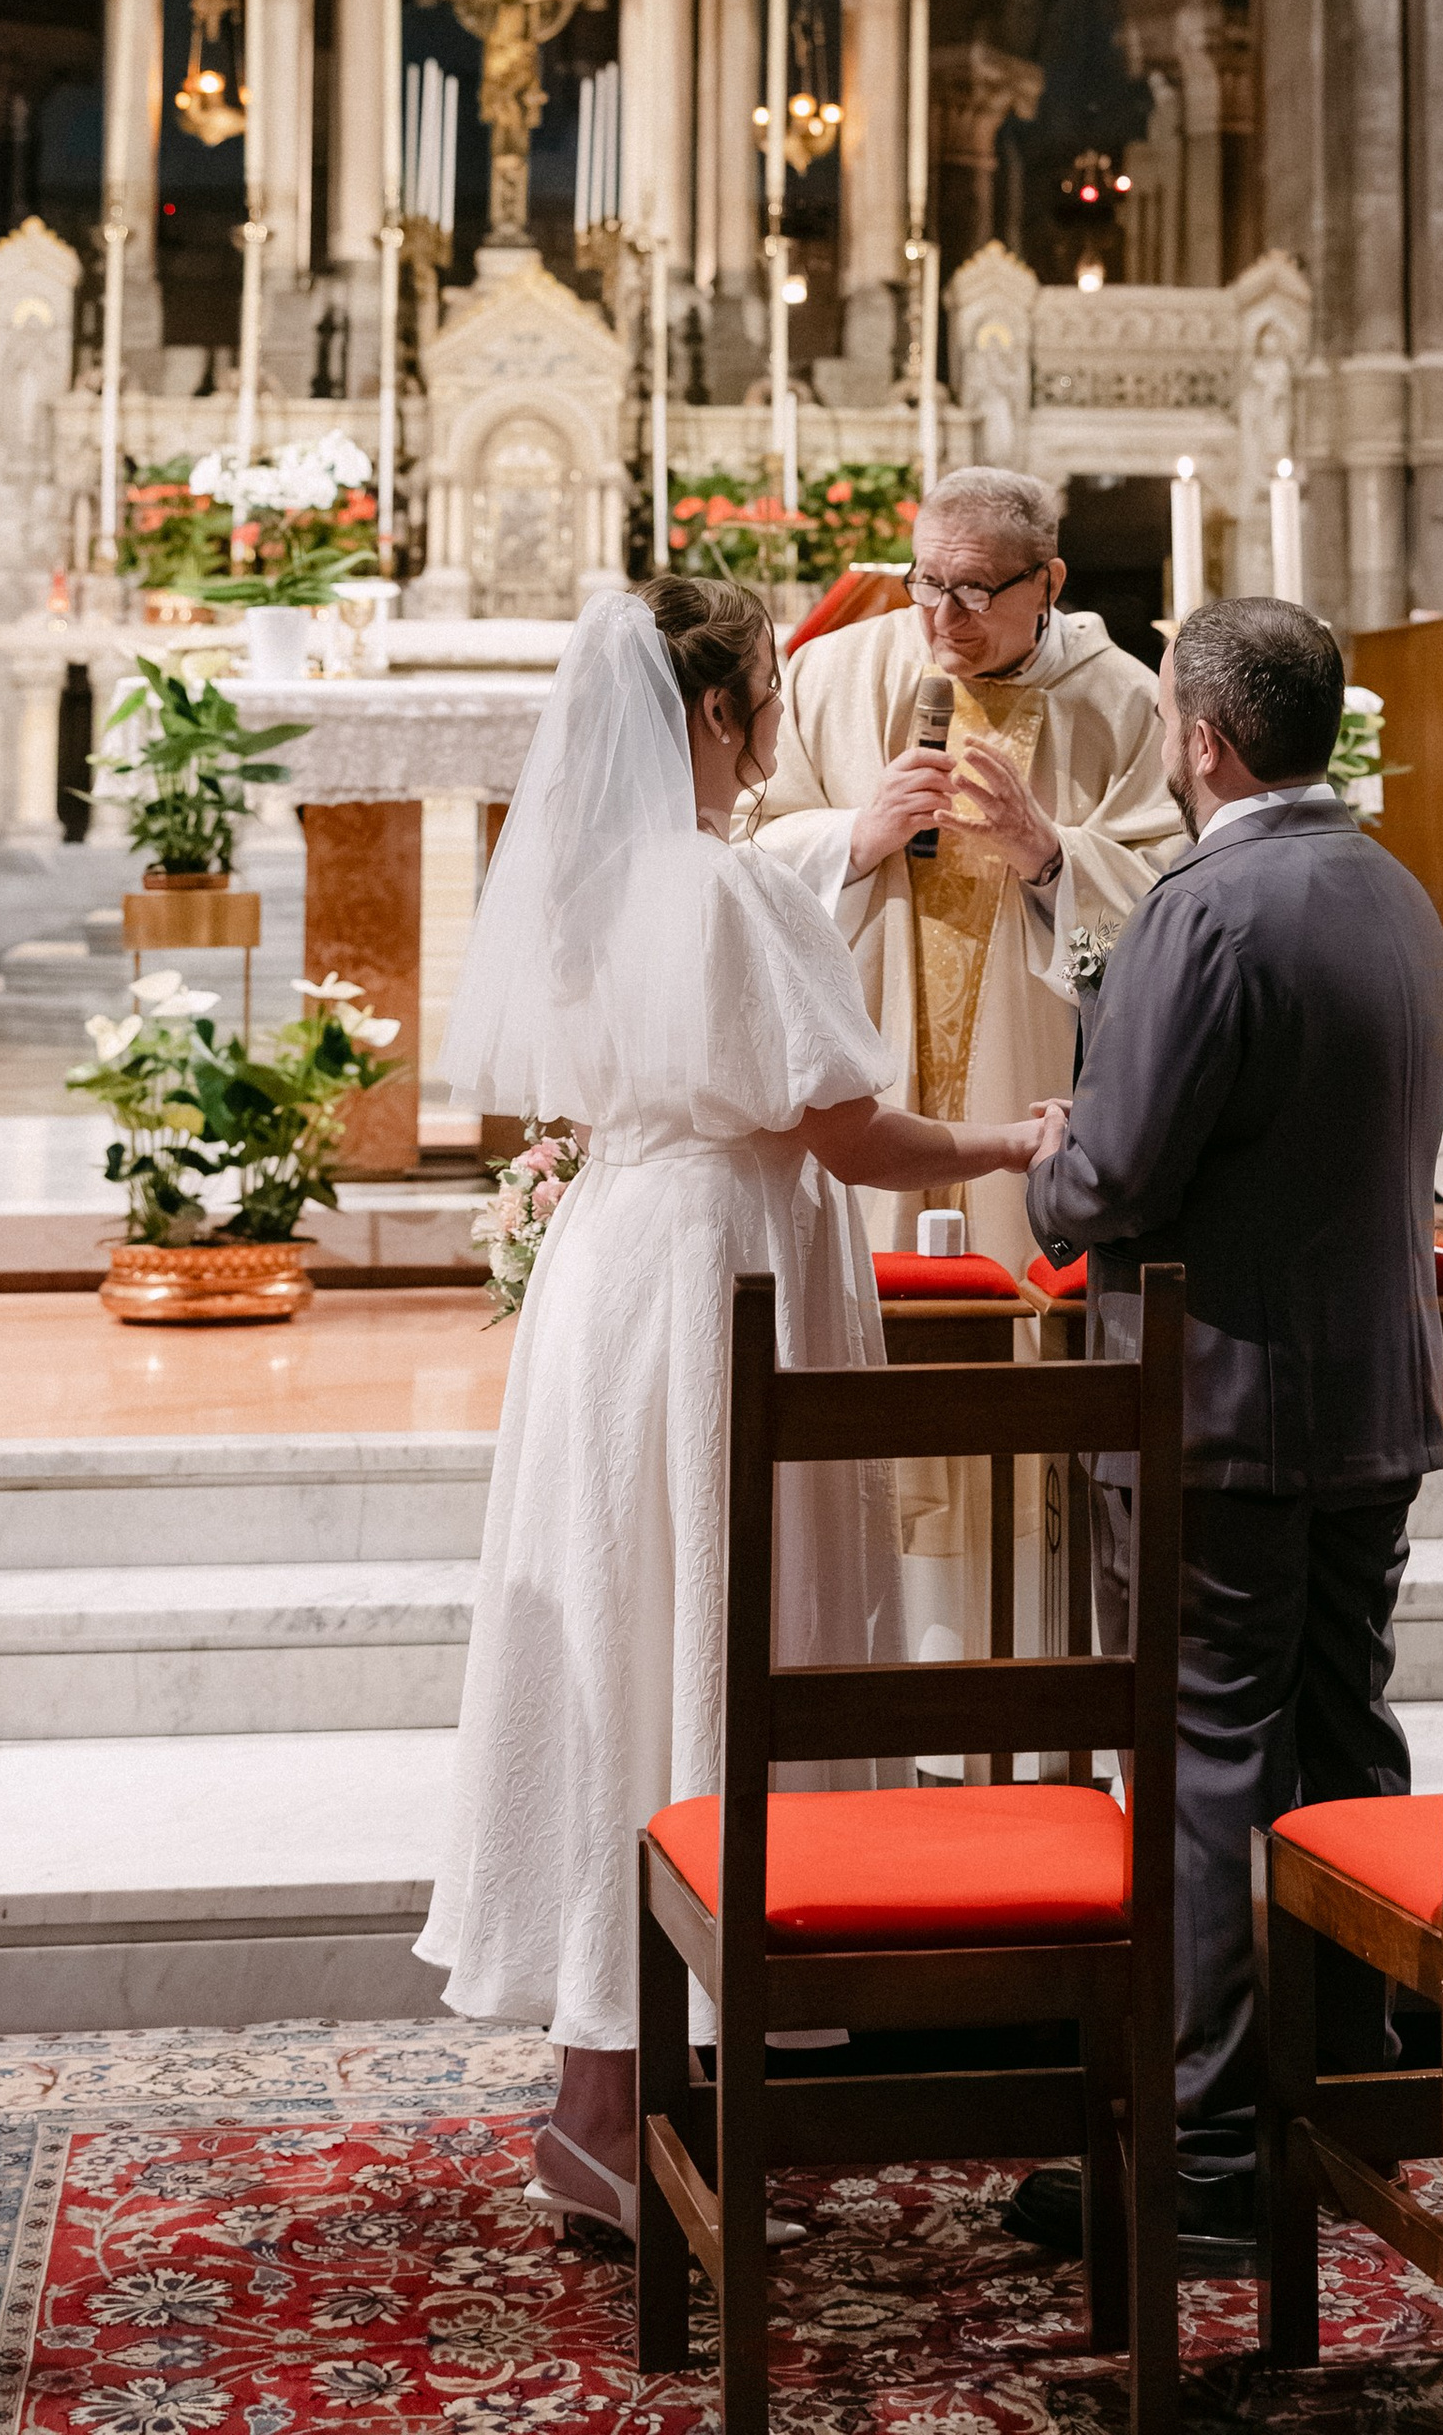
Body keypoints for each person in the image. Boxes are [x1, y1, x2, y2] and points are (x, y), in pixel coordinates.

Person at [416, 579, 1051, 2238]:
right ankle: (635, 2098)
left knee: (628, 1638)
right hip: (725, 1276)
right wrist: (1004, 1149)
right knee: (707, 1624)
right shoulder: (717, 889)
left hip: (613, 1268)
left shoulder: (582, 884)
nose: (779, 725)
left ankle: (608, 2098)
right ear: (716, 719)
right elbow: (847, 1133)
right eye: (768, 697)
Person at [1007, 594, 1443, 2265]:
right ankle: (1356, 2086)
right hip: (1378, 1395)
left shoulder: (1209, 907)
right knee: (1346, 1739)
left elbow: (1118, 1176)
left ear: (1201, 738)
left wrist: (1057, 1155)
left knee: (1206, 1768)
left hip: (1225, 1406)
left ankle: (1201, 2166)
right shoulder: (1394, 891)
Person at [754, 465, 1177, 1648]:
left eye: (975, 591)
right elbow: (739, 850)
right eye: (924, 583)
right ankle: (872, 1668)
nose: (941, 618)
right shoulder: (837, 675)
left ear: (1048, 581)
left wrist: (1055, 859)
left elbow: (1175, 902)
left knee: (1019, 1373)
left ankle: (1016, 1685)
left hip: (1027, 1097)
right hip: (864, 1093)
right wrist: (851, 834)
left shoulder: (1123, 703)